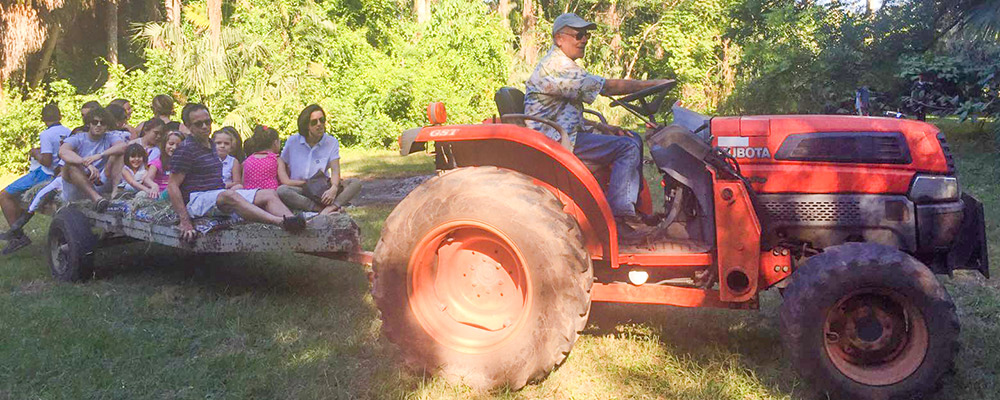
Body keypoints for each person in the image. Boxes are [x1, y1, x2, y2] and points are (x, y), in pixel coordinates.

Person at [524, 13, 672, 241]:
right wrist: (653, 83)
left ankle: (637, 211)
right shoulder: (557, 67)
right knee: (627, 147)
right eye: (578, 35)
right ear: (559, 39)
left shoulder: (565, 66)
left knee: (632, 137)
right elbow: (606, 87)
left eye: (587, 35)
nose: (584, 40)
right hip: (554, 141)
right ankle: (619, 219)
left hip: (565, 133)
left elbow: (565, 113)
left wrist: (605, 128)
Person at [166, 103, 304, 241]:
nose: (204, 126)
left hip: (216, 196)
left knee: (268, 193)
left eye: (207, 122)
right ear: (188, 126)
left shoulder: (211, 145)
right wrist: (185, 221)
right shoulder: (185, 149)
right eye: (198, 124)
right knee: (229, 195)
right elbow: (172, 185)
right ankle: (279, 222)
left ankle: (295, 223)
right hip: (195, 201)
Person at [0, 103, 70, 254]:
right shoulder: (68, 131)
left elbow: (46, 161)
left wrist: (34, 153)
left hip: (44, 174)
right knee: (18, 198)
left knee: (4, 195)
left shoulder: (45, 134)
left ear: (43, 119)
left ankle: (17, 236)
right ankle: (17, 228)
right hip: (60, 172)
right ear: (60, 116)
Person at [277, 105, 362, 215]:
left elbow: (335, 170)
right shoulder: (293, 141)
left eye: (322, 120)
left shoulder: (331, 142)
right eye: (314, 122)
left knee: (355, 183)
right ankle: (319, 209)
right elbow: (281, 161)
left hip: (322, 188)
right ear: (306, 125)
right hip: (301, 189)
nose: (319, 124)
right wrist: (286, 180)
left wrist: (334, 188)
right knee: (282, 191)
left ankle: (331, 207)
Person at [59, 106, 127, 210]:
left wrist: (100, 155)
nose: (98, 125)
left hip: (99, 182)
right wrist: (85, 163)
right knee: (70, 165)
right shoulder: (78, 138)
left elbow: (123, 147)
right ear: (88, 124)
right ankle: (97, 199)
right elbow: (63, 151)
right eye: (95, 122)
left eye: (102, 123)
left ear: (107, 126)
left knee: (119, 154)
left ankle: (115, 194)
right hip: (77, 188)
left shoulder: (109, 137)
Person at [242, 125, 281, 190]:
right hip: (271, 194)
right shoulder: (276, 159)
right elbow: (285, 181)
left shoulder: (248, 160)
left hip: (251, 195)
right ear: (275, 142)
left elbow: (243, 182)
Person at [145, 130, 184, 195]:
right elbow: (147, 179)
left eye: (178, 145)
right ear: (164, 144)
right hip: (159, 194)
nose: (174, 147)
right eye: (171, 144)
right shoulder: (157, 162)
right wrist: (154, 185)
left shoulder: (184, 163)